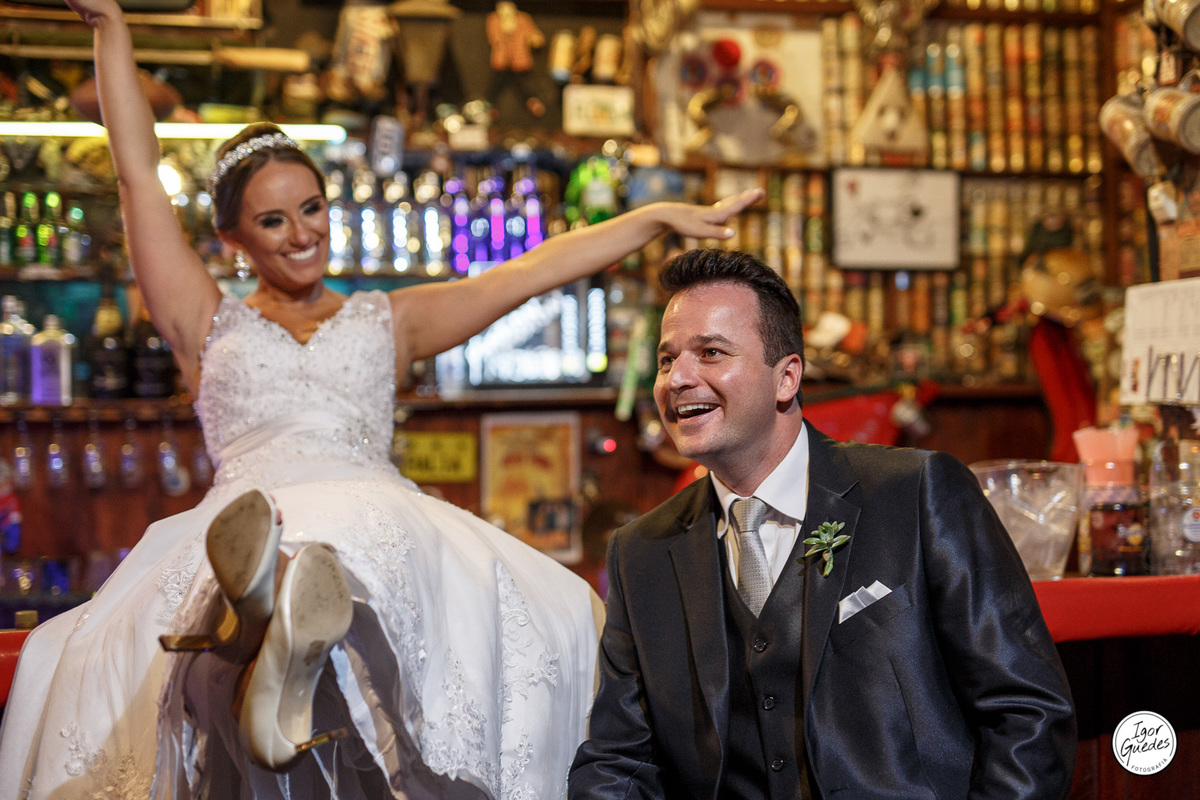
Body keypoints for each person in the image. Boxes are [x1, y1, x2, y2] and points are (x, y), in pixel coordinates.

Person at [0, 1, 763, 798]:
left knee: (474, 581)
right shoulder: (203, 319)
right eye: (272, 220)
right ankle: (270, 612)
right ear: (231, 241)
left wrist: (655, 216)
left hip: (371, 498)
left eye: (313, 209)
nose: (302, 234)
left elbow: (528, 272)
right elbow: (134, 174)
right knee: (281, 551)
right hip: (247, 508)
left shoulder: (387, 320)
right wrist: (111, 29)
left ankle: (281, 622)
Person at [569, 248, 1077, 799]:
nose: (677, 379)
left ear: (786, 378)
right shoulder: (640, 552)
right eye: (667, 361)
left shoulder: (918, 493)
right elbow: (621, 762)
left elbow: (1028, 711)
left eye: (710, 353)